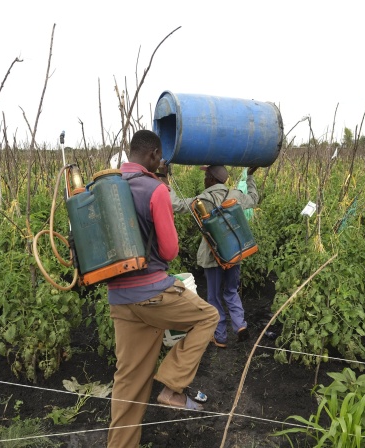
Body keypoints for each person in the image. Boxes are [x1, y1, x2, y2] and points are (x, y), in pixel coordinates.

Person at [106, 130, 219, 448]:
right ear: (154, 155)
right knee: (207, 317)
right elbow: (169, 251)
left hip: (120, 299)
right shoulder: (153, 190)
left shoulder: (107, 188)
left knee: (128, 386)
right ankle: (173, 387)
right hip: (152, 293)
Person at [163, 164, 259, 349]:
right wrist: (250, 177)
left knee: (214, 296)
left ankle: (220, 336)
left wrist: (167, 183)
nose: (204, 179)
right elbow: (254, 199)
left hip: (212, 255)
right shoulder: (236, 195)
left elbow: (177, 205)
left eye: (206, 176)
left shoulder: (203, 199)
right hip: (233, 253)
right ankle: (240, 325)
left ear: (213, 179)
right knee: (231, 291)